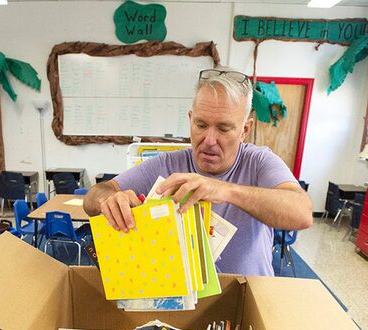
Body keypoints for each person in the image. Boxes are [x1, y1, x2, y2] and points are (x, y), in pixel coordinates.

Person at [84, 67, 312, 277]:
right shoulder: (167, 164)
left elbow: (302, 212)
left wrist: (225, 191)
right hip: (183, 301)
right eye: (201, 125)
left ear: (245, 129)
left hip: (250, 297)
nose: (209, 140)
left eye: (223, 128)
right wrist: (111, 199)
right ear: (191, 120)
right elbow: (95, 196)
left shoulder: (259, 162)